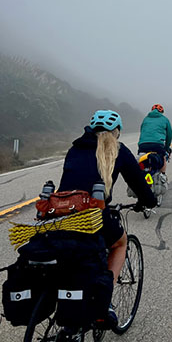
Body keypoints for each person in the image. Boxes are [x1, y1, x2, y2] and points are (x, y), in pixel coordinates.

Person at [58, 109, 156, 327]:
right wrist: (149, 202)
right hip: (92, 216)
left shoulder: (75, 148)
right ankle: (104, 299)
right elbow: (139, 184)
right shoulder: (119, 150)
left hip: (61, 216)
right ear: (117, 131)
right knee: (120, 243)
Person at [137, 104, 172, 174]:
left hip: (143, 145)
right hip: (157, 145)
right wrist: (167, 148)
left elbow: (142, 131)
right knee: (163, 158)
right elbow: (169, 135)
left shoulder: (145, 119)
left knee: (141, 162)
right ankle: (162, 176)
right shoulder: (165, 119)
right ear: (162, 112)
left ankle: (140, 176)